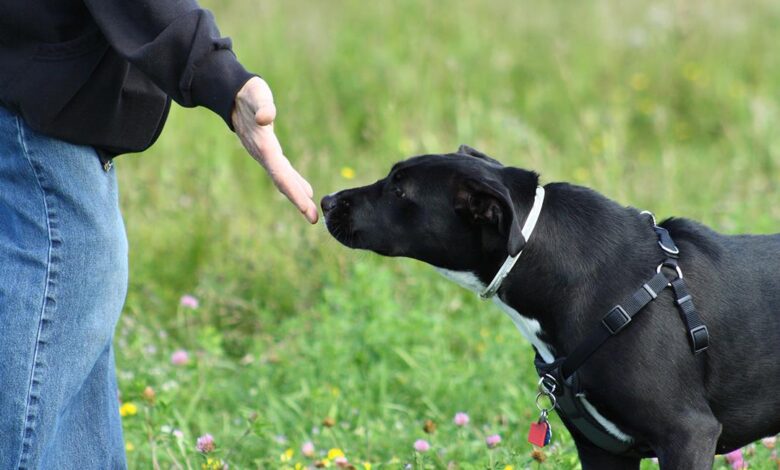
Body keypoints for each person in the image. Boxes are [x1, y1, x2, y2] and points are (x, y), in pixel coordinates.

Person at [0, 1, 317, 468]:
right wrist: (220, 74)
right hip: (39, 134)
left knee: (67, 389)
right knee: (38, 394)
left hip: (32, 116)